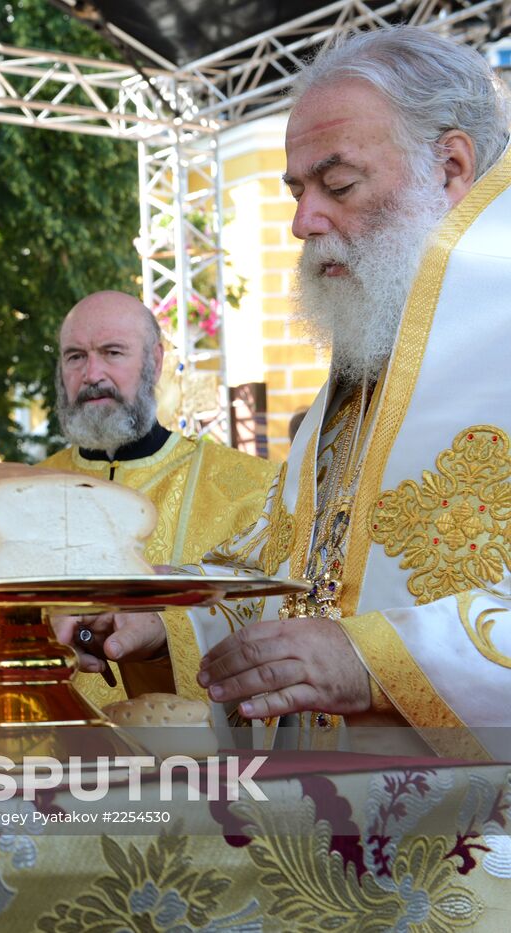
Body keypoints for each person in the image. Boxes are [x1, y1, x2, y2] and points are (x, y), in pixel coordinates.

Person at [80, 26, 511, 758]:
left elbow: (349, 636)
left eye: (337, 185)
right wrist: (168, 625)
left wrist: (375, 663)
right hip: (337, 832)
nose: (303, 221)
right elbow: (297, 585)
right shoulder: (360, 379)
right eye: (298, 189)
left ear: (450, 167)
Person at [43, 290, 277, 706]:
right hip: (44, 754)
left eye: (112, 352)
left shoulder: (249, 487)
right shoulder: (20, 494)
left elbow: (266, 623)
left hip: (193, 756)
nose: (92, 373)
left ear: (155, 361)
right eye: (75, 356)